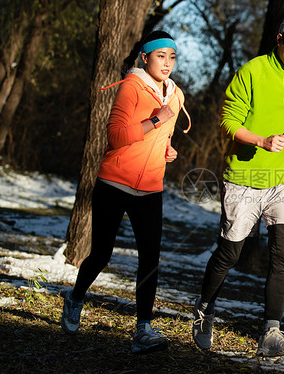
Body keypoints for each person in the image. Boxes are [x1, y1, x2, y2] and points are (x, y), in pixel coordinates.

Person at [192, 9, 284, 357]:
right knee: (229, 253)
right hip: (245, 178)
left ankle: (271, 333)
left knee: (282, 258)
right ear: (280, 40)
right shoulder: (252, 72)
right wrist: (260, 140)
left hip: (283, 183)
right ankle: (204, 310)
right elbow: (228, 122)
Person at [61, 30, 190, 354]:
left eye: (172, 57)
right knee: (102, 254)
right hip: (114, 183)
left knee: (150, 258)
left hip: (149, 188)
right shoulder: (130, 87)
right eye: (161, 56)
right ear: (145, 57)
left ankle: (142, 329)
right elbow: (116, 136)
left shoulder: (176, 95)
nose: (167, 63)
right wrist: (155, 122)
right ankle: (75, 297)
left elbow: (160, 137)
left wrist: (168, 149)